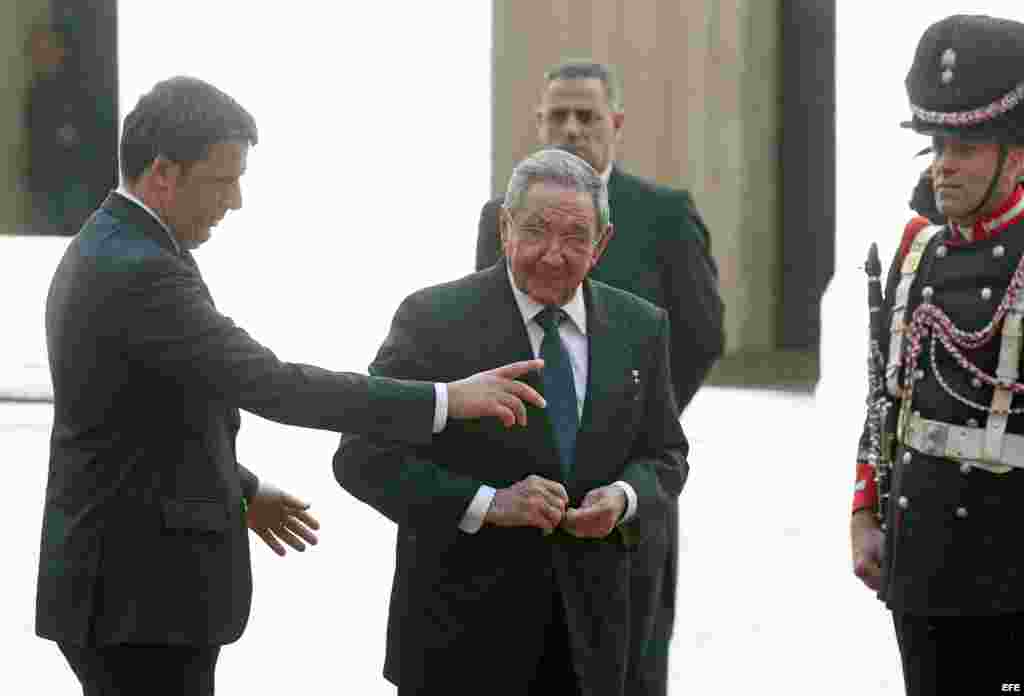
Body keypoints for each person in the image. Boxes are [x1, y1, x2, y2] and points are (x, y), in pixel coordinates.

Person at [36, 75, 546, 695]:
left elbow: (145, 419)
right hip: (138, 600)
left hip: (122, 591)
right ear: (164, 173)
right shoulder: (139, 271)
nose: (237, 202)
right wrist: (443, 399)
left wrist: (241, 488)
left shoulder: (121, 246)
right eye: (223, 180)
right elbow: (269, 383)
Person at [335, 149, 688, 695]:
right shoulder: (433, 320)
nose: (553, 255)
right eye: (536, 231)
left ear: (602, 244)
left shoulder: (641, 327)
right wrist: (488, 503)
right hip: (459, 643)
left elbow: (666, 454)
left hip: (593, 646)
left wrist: (622, 497)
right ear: (504, 228)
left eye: (575, 237)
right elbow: (361, 457)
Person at [476, 59, 722, 692]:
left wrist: (631, 419)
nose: (572, 128)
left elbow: (700, 334)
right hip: (528, 488)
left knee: (627, 666)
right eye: (558, 116)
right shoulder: (498, 216)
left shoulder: (664, 213)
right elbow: (487, 333)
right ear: (538, 123)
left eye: (587, 116)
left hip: (627, 484)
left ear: (614, 124)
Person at [850, 15, 1024, 695]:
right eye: (937, 144)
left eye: (965, 146)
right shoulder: (917, 250)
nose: (944, 164)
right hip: (923, 564)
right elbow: (884, 398)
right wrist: (865, 510)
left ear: (1017, 154)